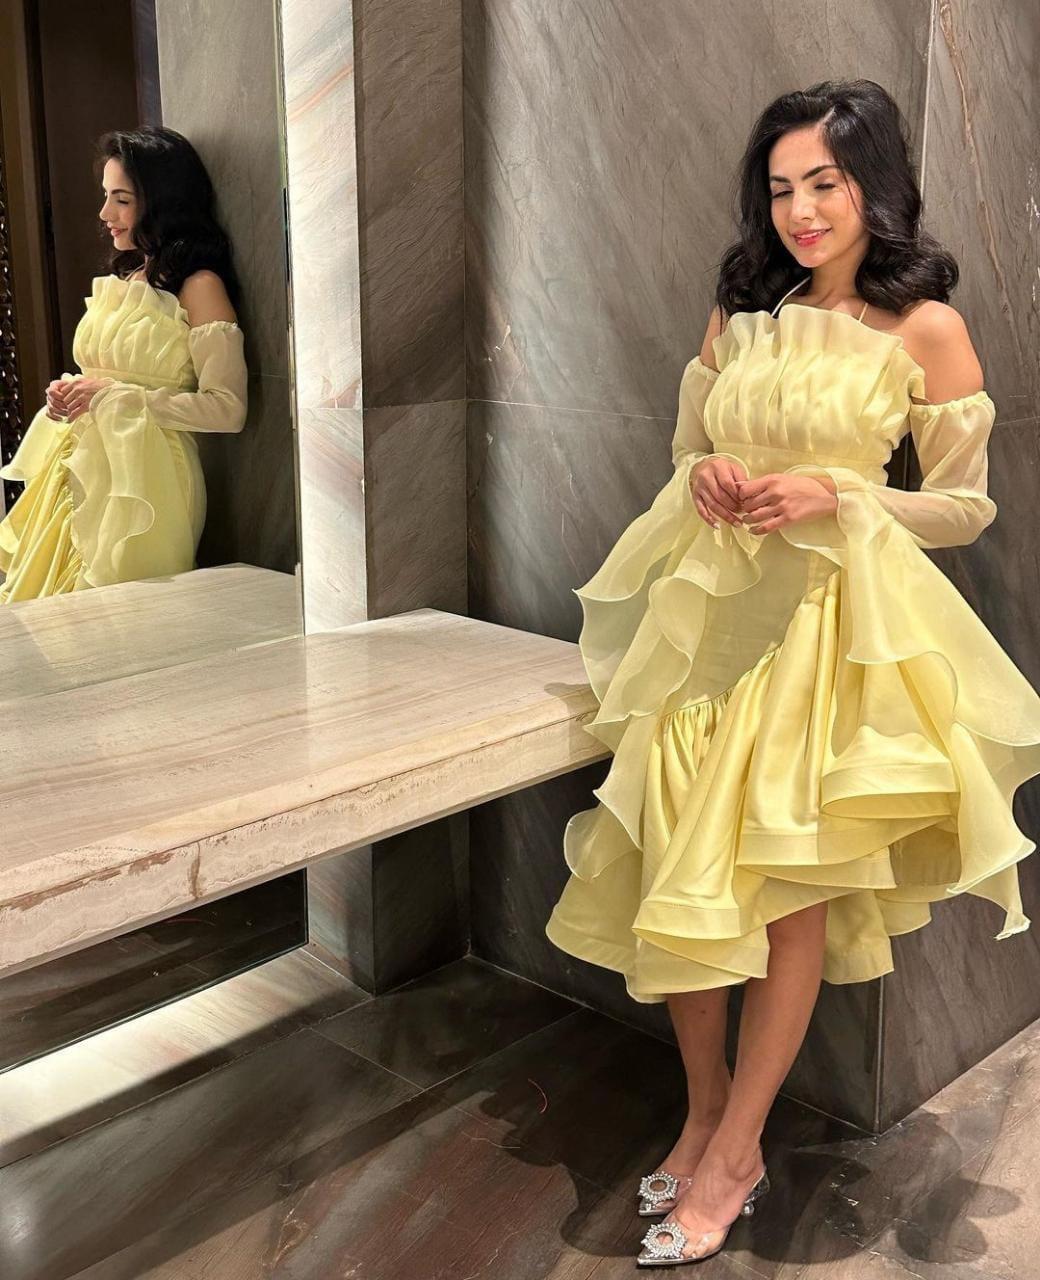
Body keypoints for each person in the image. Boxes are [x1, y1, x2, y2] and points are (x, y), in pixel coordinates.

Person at [545, 78, 1040, 1268]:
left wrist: (840, 491)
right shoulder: (740, 309)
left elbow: (963, 506)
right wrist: (708, 475)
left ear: (874, 184)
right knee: (681, 860)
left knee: (787, 887)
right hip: (707, 616)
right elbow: (689, 449)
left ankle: (734, 1149)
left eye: (823, 182)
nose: (800, 210)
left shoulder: (922, 326)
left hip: (826, 628)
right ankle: (703, 1109)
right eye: (779, 189)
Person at [0, 125, 247, 603]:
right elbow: (105, 380)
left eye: (122, 199)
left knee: (122, 619)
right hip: (77, 470)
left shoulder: (199, 286)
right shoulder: (125, 279)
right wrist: (71, 394)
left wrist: (116, 396)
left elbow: (228, 409)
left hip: (147, 484)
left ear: (162, 202)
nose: (104, 214)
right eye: (106, 196)